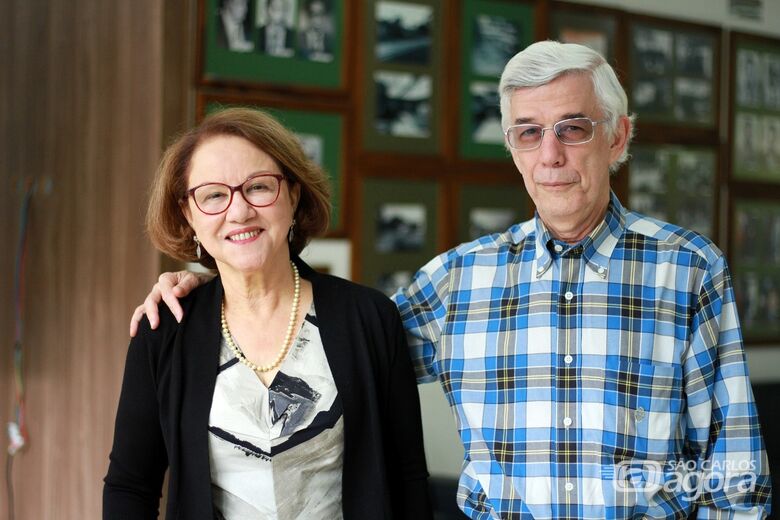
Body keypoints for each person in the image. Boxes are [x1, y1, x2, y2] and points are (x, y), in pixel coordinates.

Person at [130, 42, 772, 519]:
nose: (550, 154)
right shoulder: (458, 280)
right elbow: (333, 346)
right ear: (513, 149)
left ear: (617, 136)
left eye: (572, 129)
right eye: (529, 132)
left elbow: (734, 464)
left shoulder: (689, 269)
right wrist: (209, 282)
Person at [104, 107, 432, 519]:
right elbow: (130, 487)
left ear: (294, 196)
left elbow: (408, 480)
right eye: (213, 195)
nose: (238, 211)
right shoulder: (165, 330)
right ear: (188, 215)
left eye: (258, 187)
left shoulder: (369, 318)